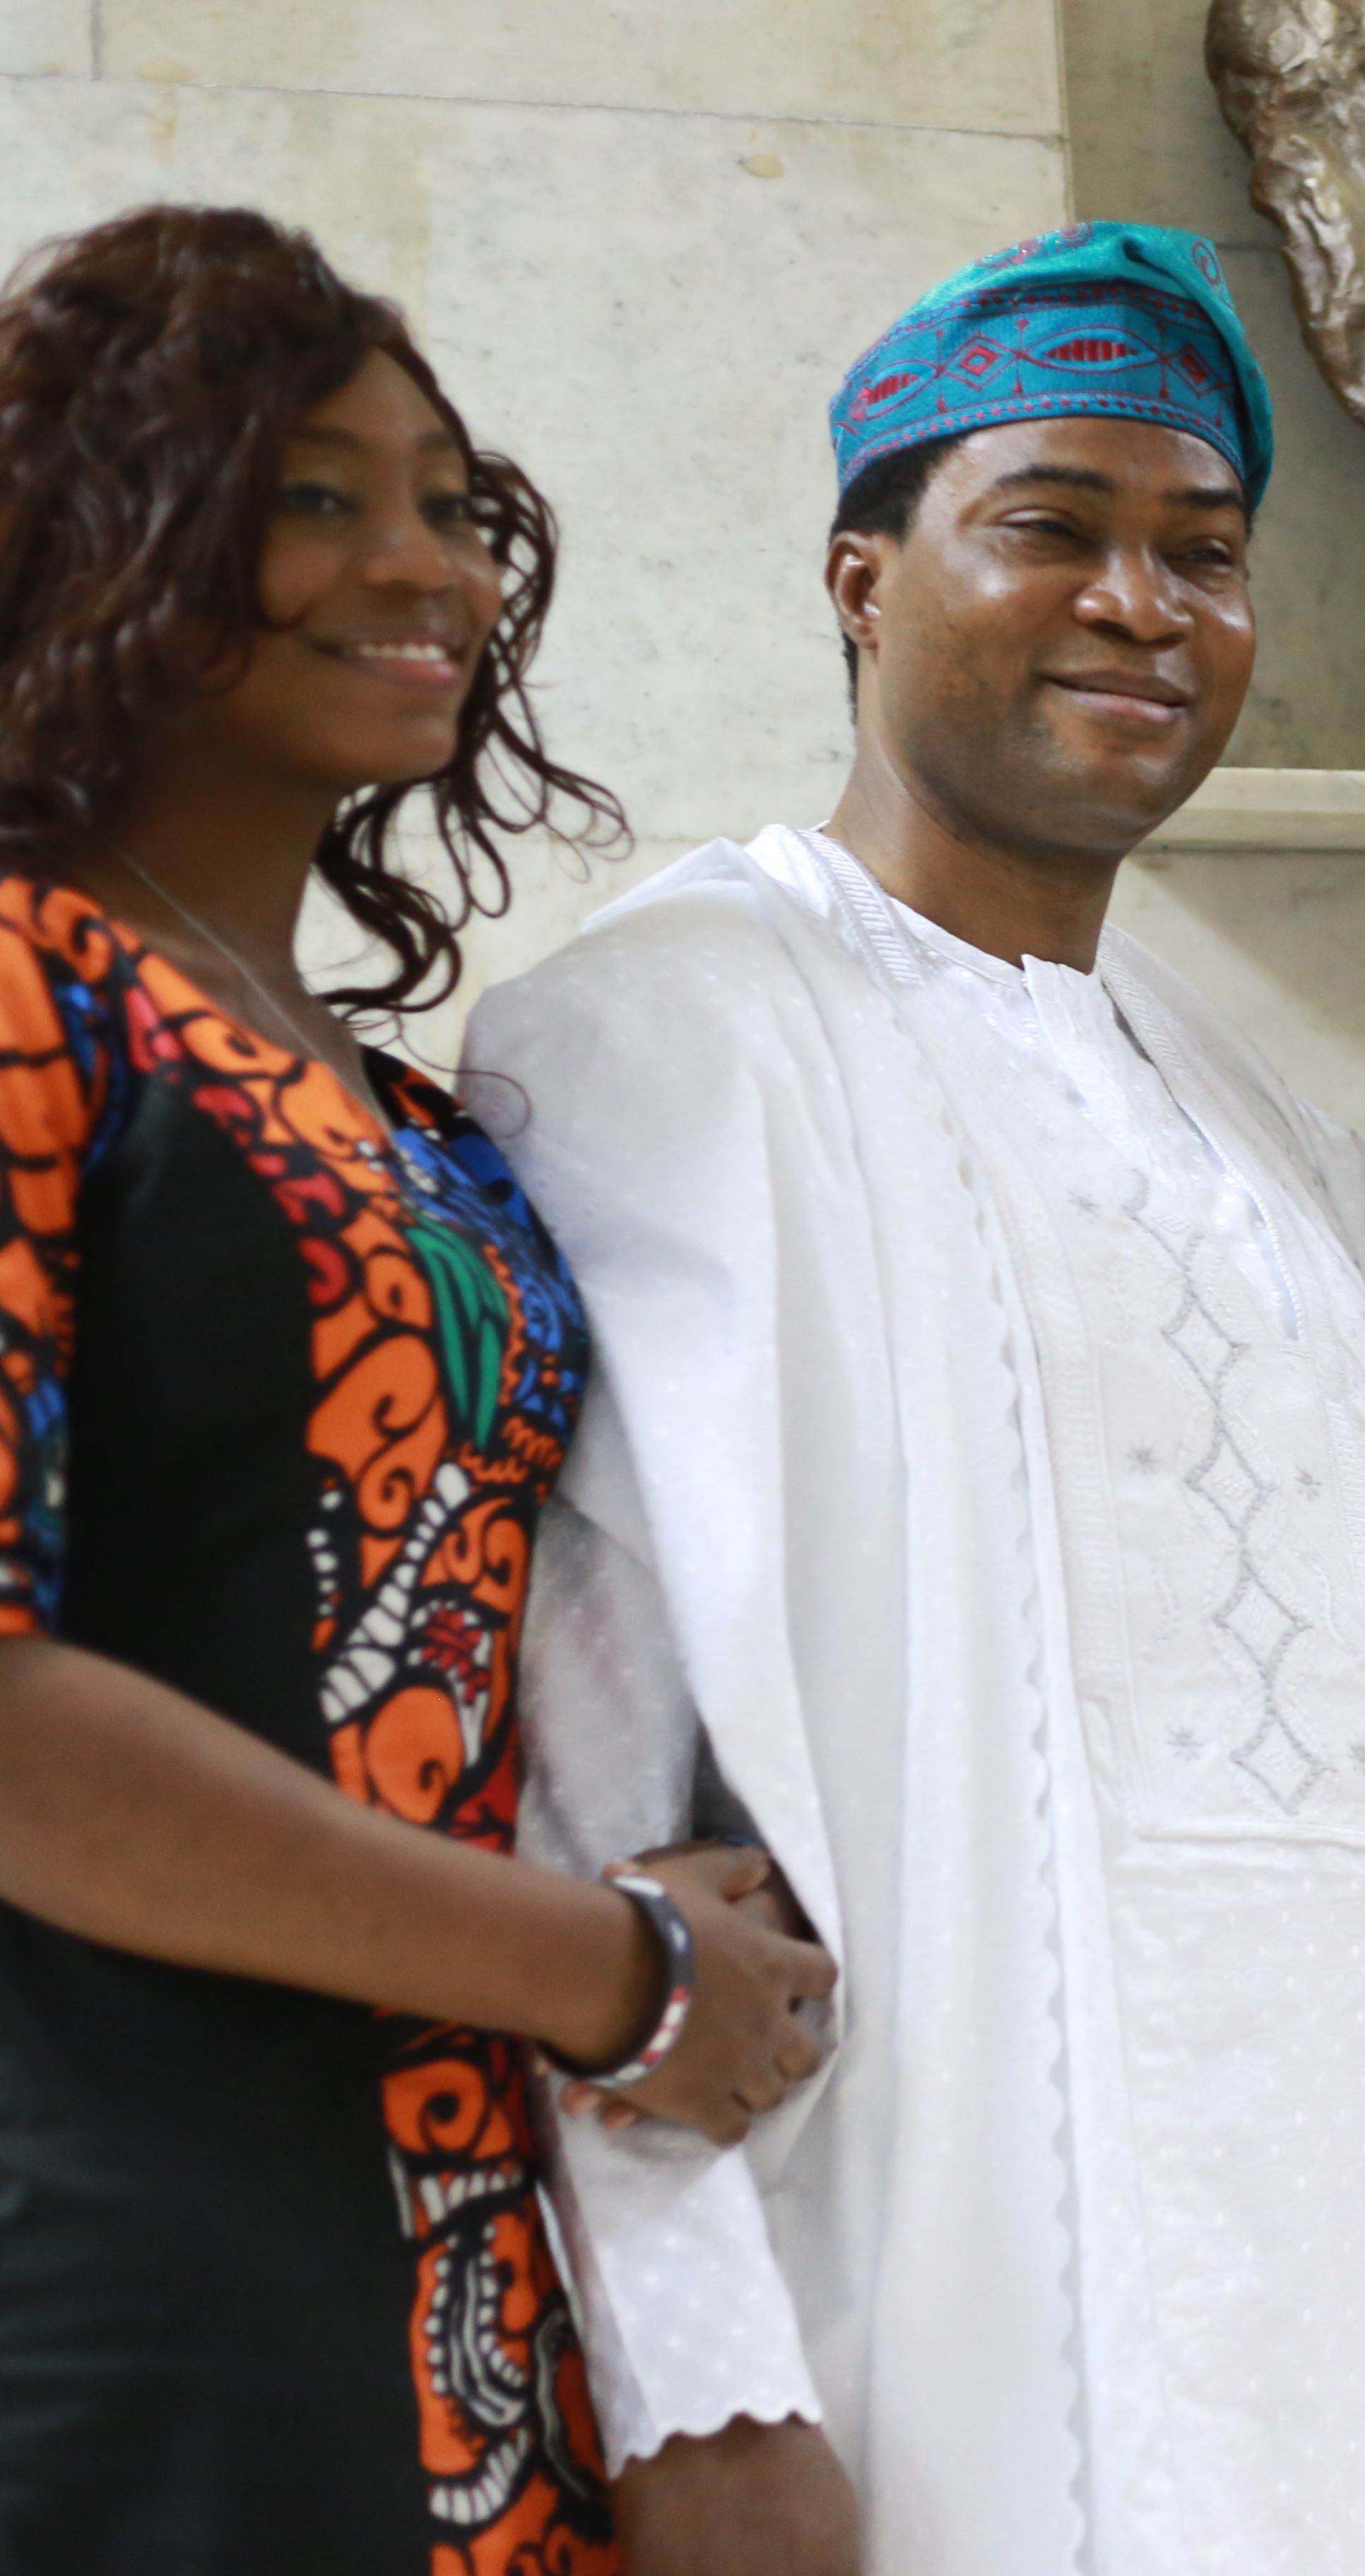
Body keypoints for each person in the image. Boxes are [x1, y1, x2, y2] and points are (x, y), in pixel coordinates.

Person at [461, 221, 1365, 2576]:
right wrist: (700, 2378)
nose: (1141, 603)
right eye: (1052, 527)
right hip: (919, 2287)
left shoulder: (1307, 1165)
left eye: (1203, 552)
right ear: (862, 577)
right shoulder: (664, 1032)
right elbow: (575, 1763)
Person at [0, 205, 834, 2575]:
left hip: (484, 2251)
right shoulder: (31, 989)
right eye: (316, 494)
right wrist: (603, 1963)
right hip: (127, 2248)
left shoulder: (431, 1124)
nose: (425, 564)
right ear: (103, 530)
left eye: (455, 506)